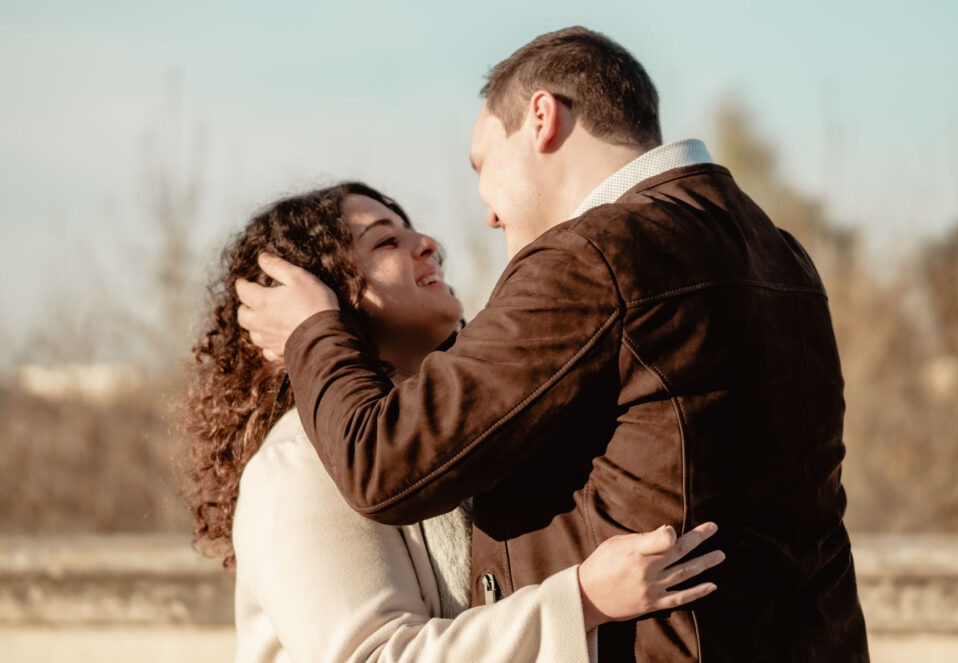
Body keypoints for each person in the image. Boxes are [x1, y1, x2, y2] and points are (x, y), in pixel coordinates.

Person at [237, 27, 870, 661]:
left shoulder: (594, 253)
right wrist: (582, 596)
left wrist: (309, 331)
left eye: (483, 165)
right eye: (383, 240)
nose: (485, 213)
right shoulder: (779, 252)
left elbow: (385, 465)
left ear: (542, 119)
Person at [185, 181, 725, 662]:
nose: (427, 244)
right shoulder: (294, 466)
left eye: (413, 232)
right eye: (385, 242)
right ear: (323, 299)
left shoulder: (460, 431)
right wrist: (583, 598)